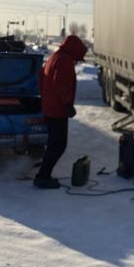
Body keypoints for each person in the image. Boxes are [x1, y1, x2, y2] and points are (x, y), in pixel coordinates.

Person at [34, 34, 87, 189]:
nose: (77, 61)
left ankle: (44, 174)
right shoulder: (64, 61)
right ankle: (43, 177)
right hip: (57, 109)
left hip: (51, 106)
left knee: (53, 144)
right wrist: (67, 104)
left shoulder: (54, 57)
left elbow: (42, 78)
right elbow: (61, 84)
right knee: (58, 145)